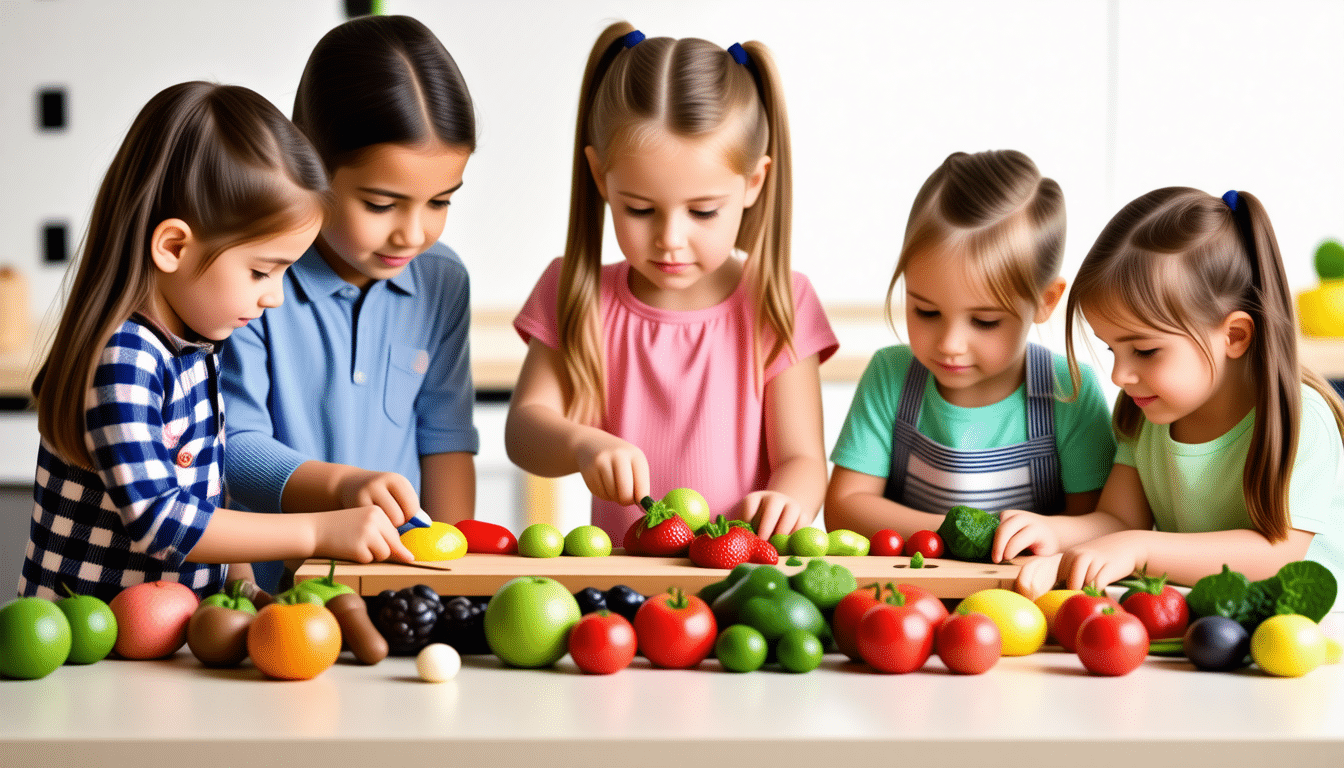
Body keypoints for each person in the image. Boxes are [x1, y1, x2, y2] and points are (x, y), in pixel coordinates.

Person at [19, 81, 413, 602]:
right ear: (174, 246)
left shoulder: (193, 349)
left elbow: (205, 491)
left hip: (165, 646)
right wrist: (319, 530)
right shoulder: (125, 359)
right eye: (260, 271)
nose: (274, 297)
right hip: (93, 650)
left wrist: (243, 584)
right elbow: (164, 521)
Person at [506, 22, 838, 541]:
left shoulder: (782, 302)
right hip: (619, 600)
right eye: (640, 209)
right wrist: (580, 443)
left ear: (753, 183)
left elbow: (803, 462)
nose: (670, 239)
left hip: (742, 584)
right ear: (600, 178)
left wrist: (787, 500)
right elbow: (525, 429)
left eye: (703, 212)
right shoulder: (575, 291)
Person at [221, 15, 479, 589]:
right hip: (270, 593)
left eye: (440, 201)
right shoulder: (251, 281)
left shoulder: (441, 282)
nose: (413, 234)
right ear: (308, 162)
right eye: (382, 204)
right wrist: (340, 487)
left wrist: (452, 579)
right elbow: (231, 446)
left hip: (399, 583)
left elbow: (446, 440)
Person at [1012, 187, 1344, 606]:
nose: (1119, 375)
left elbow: (1279, 555)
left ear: (1234, 336)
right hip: (1204, 626)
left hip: (1313, 640)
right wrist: (1052, 532)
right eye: (1113, 349)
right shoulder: (1146, 406)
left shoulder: (1302, 417)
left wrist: (1141, 549)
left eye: (1146, 351)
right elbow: (1118, 519)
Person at [825, 150, 1115, 556]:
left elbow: (1103, 523)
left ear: (1045, 301)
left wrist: (1045, 535)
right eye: (926, 311)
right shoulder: (890, 376)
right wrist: (967, 531)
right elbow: (843, 508)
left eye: (985, 321)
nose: (949, 343)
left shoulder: (1068, 390)